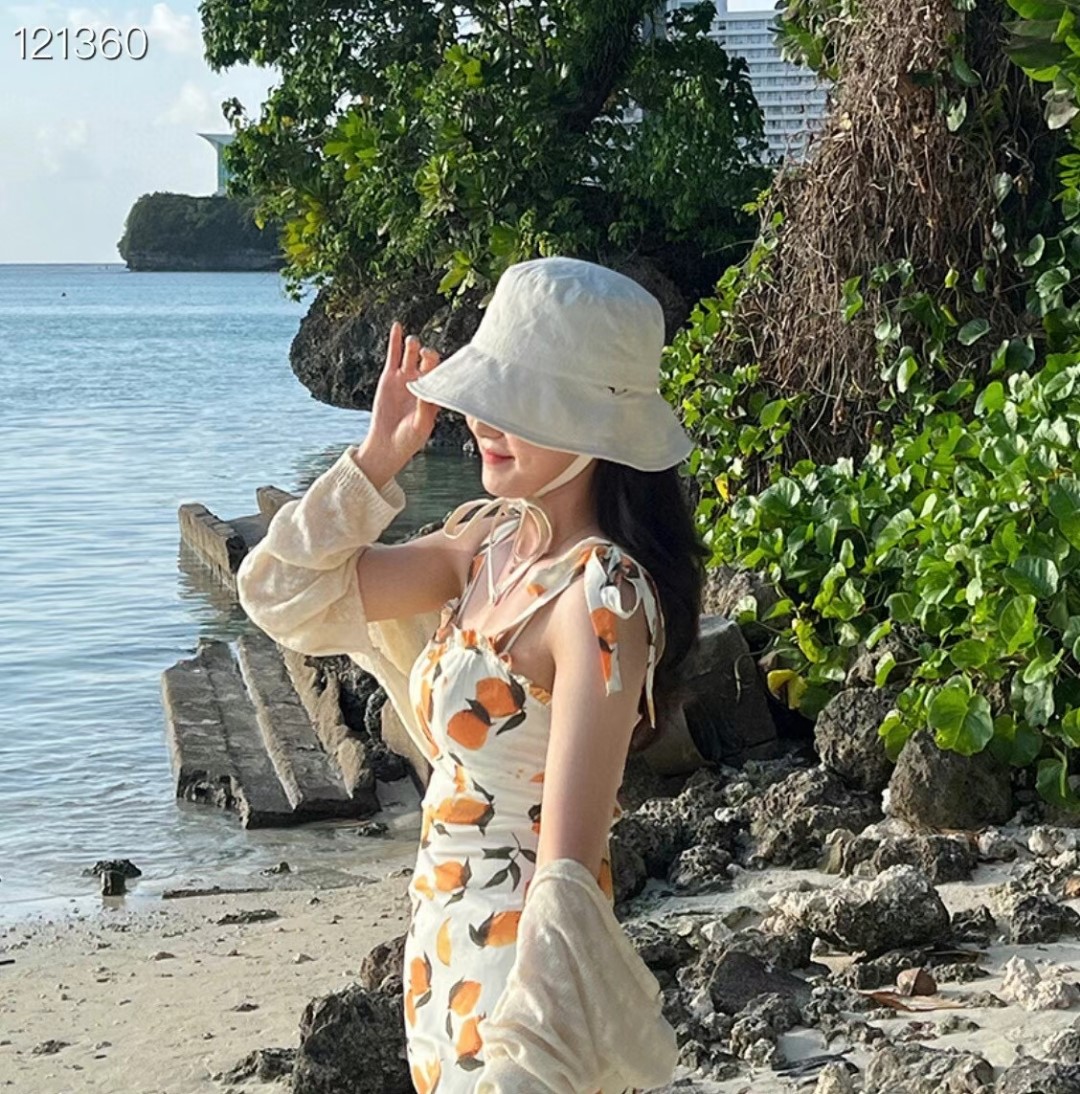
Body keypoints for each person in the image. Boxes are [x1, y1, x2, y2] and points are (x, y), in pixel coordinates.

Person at [237, 256, 706, 1093]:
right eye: (488, 395)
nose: (484, 421)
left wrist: (531, 1050)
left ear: (593, 428)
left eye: (520, 403)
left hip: (516, 974)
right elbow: (278, 594)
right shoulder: (484, 543)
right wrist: (375, 459)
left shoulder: (601, 596)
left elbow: (568, 867)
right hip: (439, 947)